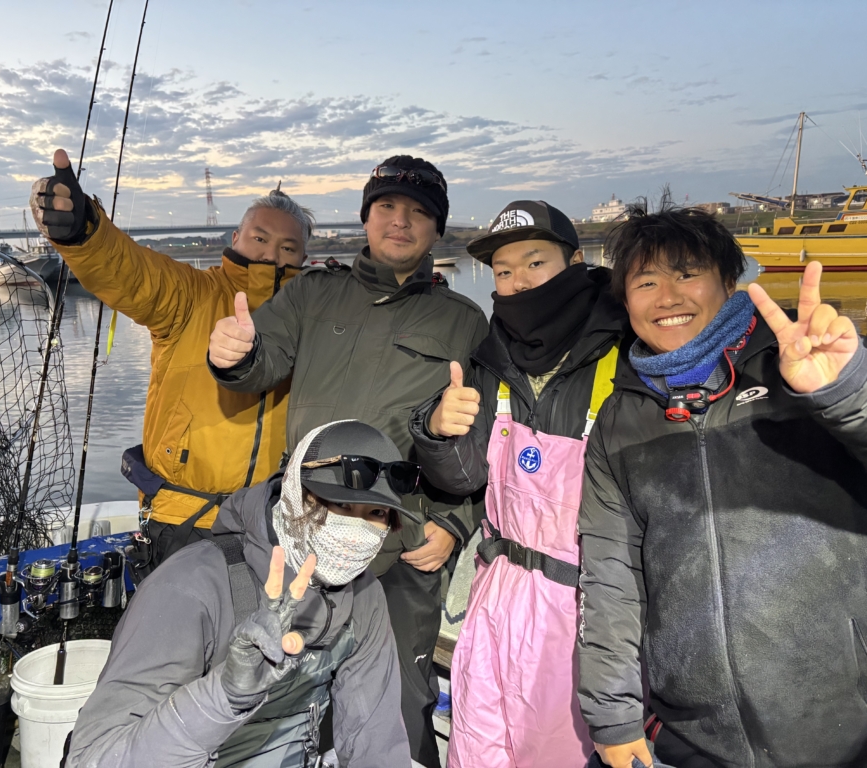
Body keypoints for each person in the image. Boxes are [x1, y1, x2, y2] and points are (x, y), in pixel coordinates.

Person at [576, 204, 867, 768]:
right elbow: (610, 577)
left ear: (729, 280)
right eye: (646, 282)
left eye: (688, 274)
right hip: (696, 738)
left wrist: (848, 391)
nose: (667, 298)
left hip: (856, 726)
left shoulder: (809, 360)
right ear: (626, 300)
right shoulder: (618, 420)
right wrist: (613, 715)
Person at [207, 155, 489, 767]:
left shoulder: (464, 321)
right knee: (282, 687)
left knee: (400, 701)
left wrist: (454, 521)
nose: (400, 221)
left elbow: (481, 439)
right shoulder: (313, 293)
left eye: (418, 212)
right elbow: (259, 364)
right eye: (387, 206)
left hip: (401, 542)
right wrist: (233, 354)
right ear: (366, 217)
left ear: (437, 229)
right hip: (303, 532)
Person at [408, 200, 628, 767]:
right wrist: (436, 431)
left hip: (587, 611)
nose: (519, 282)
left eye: (534, 263)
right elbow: (466, 477)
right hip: (496, 594)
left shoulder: (626, 351)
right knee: (478, 745)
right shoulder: (489, 359)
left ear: (575, 262)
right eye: (504, 271)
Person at [64, 420, 416, 768]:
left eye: (376, 513)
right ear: (295, 494)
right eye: (340, 506)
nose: (355, 532)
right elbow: (93, 758)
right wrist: (223, 695)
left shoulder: (365, 595)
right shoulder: (187, 586)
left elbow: (376, 739)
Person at [30, 149, 314, 569]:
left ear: (304, 258)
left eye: (288, 247)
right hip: (183, 520)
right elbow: (131, 272)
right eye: (260, 238)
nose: (271, 254)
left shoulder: (313, 318)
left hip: (274, 522)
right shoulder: (190, 294)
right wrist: (84, 232)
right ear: (235, 237)